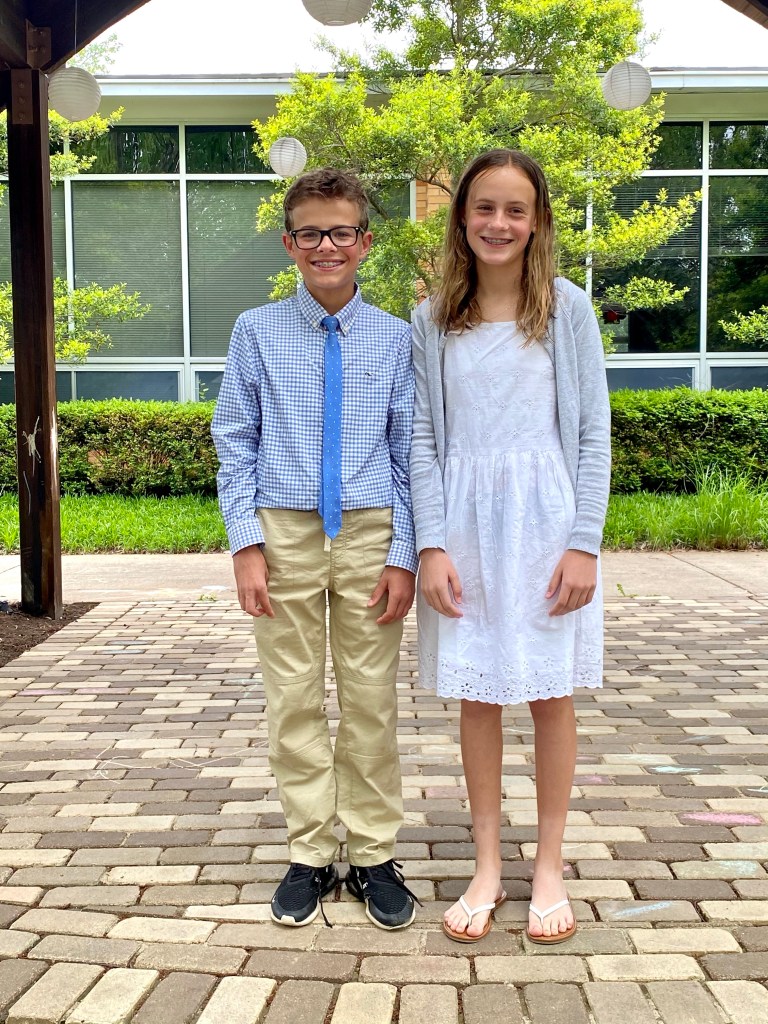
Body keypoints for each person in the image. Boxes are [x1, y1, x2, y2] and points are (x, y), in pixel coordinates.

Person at [410, 149, 610, 944]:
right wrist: (430, 544)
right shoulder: (432, 319)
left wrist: (584, 543)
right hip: (462, 528)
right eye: (484, 207)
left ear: (537, 221)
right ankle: (488, 865)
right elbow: (422, 441)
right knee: (480, 696)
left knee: (550, 695)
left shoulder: (567, 309)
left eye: (515, 209)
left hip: (546, 527)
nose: (498, 223)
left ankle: (550, 866)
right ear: (462, 216)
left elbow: (592, 433)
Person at [212, 167, 419, 931]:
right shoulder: (256, 331)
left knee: (370, 702)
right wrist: (246, 544)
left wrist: (404, 553)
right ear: (288, 242)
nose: (326, 245)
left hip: (370, 531)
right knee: (292, 698)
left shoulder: (395, 337)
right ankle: (308, 850)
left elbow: (408, 451)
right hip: (284, 531)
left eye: (341, 232)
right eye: (310, 233)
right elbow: (235, 440)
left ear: (365, 241)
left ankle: (371, 854)